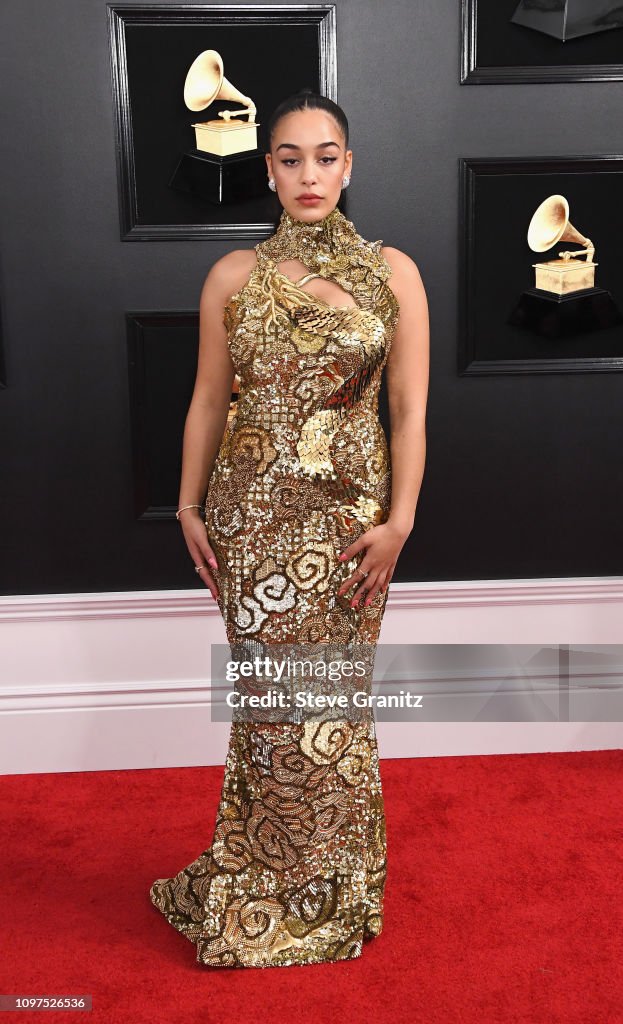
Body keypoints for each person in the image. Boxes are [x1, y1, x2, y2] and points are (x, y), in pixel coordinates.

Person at [149, 88, 429, 968]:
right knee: (272, 716)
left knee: (336, 709)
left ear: (350, 166)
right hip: (252, 522)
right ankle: (259, 880)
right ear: (266, 170)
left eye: (326, 155)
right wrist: (189, 507)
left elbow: (410, 411)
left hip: (351, 526)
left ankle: (333, 889)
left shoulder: (393, 273)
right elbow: (204, 402)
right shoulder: (232, 276)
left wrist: (400, 525)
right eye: (289, 157)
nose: (309, 173)